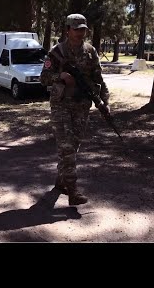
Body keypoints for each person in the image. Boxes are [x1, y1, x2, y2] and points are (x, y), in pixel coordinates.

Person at [40, 13, 110, 206]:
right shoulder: (57, 52)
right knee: (67, 147)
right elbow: (44, 77)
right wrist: (60, 76)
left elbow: (99, 79)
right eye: (76, 29)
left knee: (73, 147)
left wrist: (105, 101)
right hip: (61, 105)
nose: (80, 33)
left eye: (83, 30)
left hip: (82, 107)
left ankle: (60, 180)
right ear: (68, 30)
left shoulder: (90, 51)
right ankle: (73, 191)